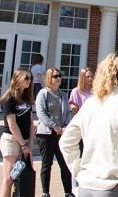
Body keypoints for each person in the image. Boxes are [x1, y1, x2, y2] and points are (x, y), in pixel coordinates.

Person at [59, 54, 118, 196]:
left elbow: (66, 142)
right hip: (116, 187)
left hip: (87, 187)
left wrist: (79, 171)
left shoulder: (90, 103)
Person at [36, 67, 73, 197]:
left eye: (60, 76)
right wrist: (54, 126)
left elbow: (67, 112)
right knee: (47, 164)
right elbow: (41, 113)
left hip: (61, 133)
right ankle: (45, 192)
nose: (58, 78)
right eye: (55, 76)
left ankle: (68, 192)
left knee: (64, 163)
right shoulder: (43, 93)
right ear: (49, 78)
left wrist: (66, 126)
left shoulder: (63, 94)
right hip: (46, 134)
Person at [0, 68, 35, 197]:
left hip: (25, 141)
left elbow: (31, 123)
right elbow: (12, 125)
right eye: (26, 78)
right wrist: (23, 144)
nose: (29, 81)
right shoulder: (9, 99)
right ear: (17, 78)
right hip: (12, 141)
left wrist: (29, 144)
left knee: (25, 177)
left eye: (30, 78)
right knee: (9, 178)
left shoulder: (26, 99)